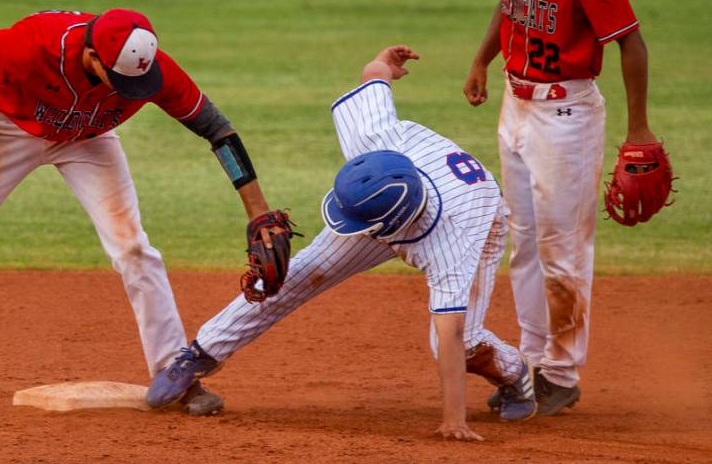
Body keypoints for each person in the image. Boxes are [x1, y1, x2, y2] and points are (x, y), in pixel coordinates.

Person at [0, 8, 287, 416]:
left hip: (87, 139)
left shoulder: (148, 67)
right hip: (3, 129)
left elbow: (218, 131)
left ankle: (174, 373)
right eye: (122, 82)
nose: (134, 91)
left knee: (133, 247)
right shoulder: (30, 46)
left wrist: (257, 210)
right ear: (92, 58)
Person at [145, 45, 536, 442]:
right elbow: (374, 76)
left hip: (478, 216)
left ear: (388, 226)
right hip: (396, 195)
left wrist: (455, 419)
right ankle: (201, 354)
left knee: (461, 341)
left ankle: (515, 372)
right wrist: (387, 62)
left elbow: (450, 333)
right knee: (302, 271)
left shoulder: (453, 242)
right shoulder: (370, 140)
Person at [464, 0, 657, 416]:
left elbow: (629, 42)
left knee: (562, 252)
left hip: (566, 116)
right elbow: (509, 2)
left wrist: (640, 130)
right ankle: (530, 361)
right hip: (514, 108)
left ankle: (563, 374)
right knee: (522, 243)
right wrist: (481, 59)